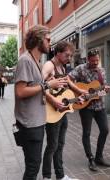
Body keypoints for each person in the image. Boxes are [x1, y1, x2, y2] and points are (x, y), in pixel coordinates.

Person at [14, 25, 67, 180]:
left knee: (33, 165)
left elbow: (34, 87)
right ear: (38, 39)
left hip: (35, 122)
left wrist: (47, 83)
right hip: (30, 124)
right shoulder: (26, 60)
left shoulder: (34, 60)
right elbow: (20, 91)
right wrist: (47, 85)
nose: (50, 43)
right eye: (48, 39)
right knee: (33, 167)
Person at [42, 41, 83, 180]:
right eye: (67, 55)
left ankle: (60, 176)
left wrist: (79, 92)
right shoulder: (49, 65)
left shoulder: (62, 66)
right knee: (52, 145)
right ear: (58, 53)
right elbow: (38, 85)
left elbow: (68, 82)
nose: (69, 58)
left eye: (71, 56)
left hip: (62, 111)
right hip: (52, 111)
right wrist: (53, 101)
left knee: (60, 145)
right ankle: (46, 176)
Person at [69, 49, 110, 171]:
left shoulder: (101, 71)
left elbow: (100, 91)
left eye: (97, 60)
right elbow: (69, 79)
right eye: (93, 60)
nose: (95, 62)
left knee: (105, 130)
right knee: (87, 133)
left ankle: (99, 156)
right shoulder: (80, 69)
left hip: (99, 106)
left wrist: (106, 90)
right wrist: (78, 91)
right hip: (85, 106)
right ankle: (90, 158)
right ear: (88, 59)